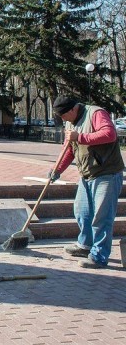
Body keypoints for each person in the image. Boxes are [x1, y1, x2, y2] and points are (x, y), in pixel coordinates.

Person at [50, 96, 124, 268]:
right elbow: (68, 149)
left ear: (72, 110)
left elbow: (109, 134)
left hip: (107, 174)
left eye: (63, 115)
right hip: (87, 174)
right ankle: (85, 245)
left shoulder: (96, 113)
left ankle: (99, 256)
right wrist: (57, 170)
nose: (62, 119)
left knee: (102, 217)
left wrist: (81, 137)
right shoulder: (70, 122)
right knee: (82, 211)